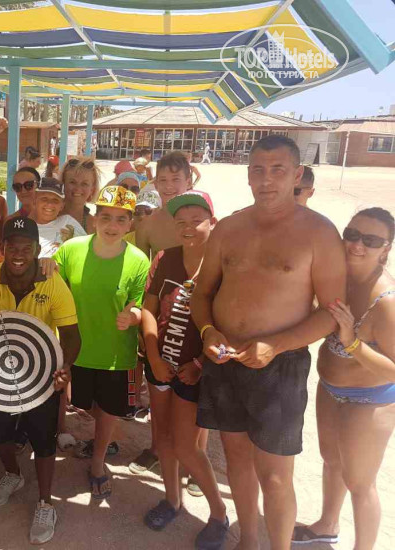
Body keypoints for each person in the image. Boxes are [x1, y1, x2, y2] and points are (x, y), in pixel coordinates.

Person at [190, 135, 346, 550]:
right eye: (258, 170)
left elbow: (332, 312)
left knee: (276, 476)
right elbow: (202, 294)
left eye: (278, 170)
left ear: (297, 175)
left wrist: (276, 344)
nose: (266, 179)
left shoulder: (319, 233)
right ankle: (248, 542)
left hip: (281, 367)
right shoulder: (229, 228)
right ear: (248, 175)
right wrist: (207, 331)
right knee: (237, 460)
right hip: (224, 360)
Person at [0, 216, 81, 545]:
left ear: (37, 249)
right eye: (12, 247)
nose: (19, 254)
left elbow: (71, 335)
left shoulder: (53, 282)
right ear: (2, 249)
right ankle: (13, 473)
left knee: (44, 439)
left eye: (27, 248)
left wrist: (66, 368)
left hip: (43, 371)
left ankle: (46, 503)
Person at [292, 207, 395, 549]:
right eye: (351, 234)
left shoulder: (387, 302)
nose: (357, 245)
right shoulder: (338, 278)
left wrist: (351, 341)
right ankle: (327, 524)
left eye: (371, 240)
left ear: (386, 248)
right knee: (332, 460)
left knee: (360, 482)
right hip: (330, 388)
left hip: (370, 399)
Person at [141, 191, 229, 549]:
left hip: (195, 370)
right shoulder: (166, 257)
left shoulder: (224, 266)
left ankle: (219, 513)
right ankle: (172, 500)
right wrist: (153, 357)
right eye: (181, 222)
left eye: (196, 220)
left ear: (213, 222)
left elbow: (232, 325)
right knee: (162, 439)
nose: (188, 227)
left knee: (187, 446)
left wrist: (199, 365)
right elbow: (147, 309)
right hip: (160, 363)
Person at [55, 185, 150, 499]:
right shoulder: (71, 250)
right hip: (77, 348)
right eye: (106, 217)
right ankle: (104, 440)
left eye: (121, 219)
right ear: (94, 218)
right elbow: (53, 286)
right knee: (84, 404)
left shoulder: (138, 260)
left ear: (130, 223)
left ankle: (98, 462)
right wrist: (45, 265)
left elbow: (140, 304)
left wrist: (133, 316)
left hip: (115, 352)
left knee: (108, 409)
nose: (113, 225)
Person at [135, 151, 193, 259]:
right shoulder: (147, 225)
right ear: (156, 184)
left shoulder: (200, 222)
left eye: (175, 179)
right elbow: (142, 266)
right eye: (163, 180)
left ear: (188, 183)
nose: (168, 186)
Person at [31, 177, 86, 258]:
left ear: (62, 206)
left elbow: (87, 252)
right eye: (44, 199)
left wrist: (72, 243)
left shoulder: (68, 222)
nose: (49, 204)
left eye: (55, 200)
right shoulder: (26, 227)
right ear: (34, 201)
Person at [59, 157, 101, 234]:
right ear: (63, 184)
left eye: (84, 184)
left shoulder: (95, 226)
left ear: (92, 189)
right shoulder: (48, 216)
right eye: (72, 182)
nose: (78, 188)